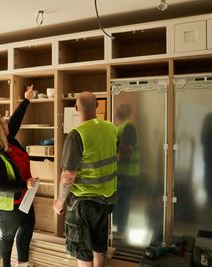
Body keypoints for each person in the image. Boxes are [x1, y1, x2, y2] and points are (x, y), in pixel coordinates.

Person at [53, 91, 118, 267]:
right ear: (97, 106)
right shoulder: (111, 128)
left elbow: (68, 175)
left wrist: (60, 201)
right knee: (98, 248)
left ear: (75, 108)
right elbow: (115, 156)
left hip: (82, 204)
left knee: (83, 252)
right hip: (105, 200)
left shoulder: (77, 134)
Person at [0, 85, 37, 267]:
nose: (7, 124)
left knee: (27, 229)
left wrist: (26, 99)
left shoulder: (8, 141)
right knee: (7, 238)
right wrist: (24, 184)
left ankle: (23, 264)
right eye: (4, 124)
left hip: (24, 198)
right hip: (8, 206)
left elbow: (15, 121)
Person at [113, 103, 140, 241]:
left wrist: (115, 156)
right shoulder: (119, 126)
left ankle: (121, 233)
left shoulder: (128, 127)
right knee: (119, 203)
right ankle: (119, 231)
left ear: (128, 112)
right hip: (122, 174)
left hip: (127, 174)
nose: (118, 109)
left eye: (121, 108)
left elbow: (128, 150)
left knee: (122, 203)